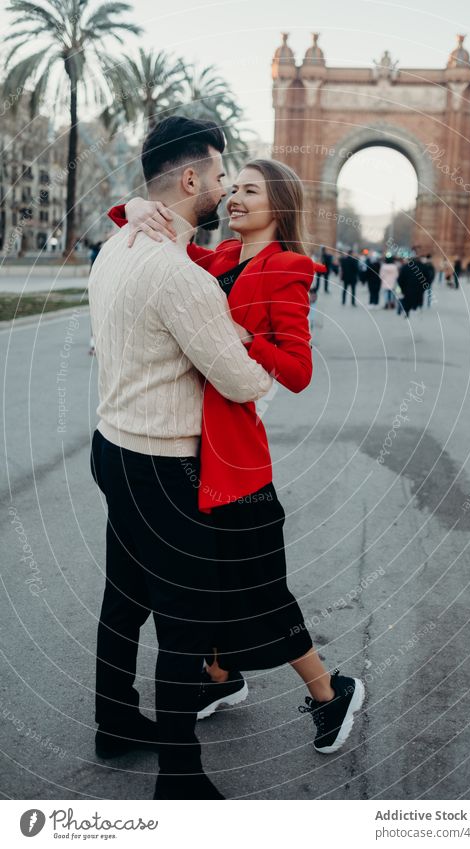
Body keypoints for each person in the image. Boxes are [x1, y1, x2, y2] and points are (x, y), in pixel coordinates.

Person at [109, 158, 365, 761]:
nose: (235, 199)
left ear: (280, 203)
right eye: (234, 189)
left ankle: (331, 693)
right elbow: (159, 239)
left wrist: (245, 341)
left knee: (260, 588)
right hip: (192, 446)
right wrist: (136, 208)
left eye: (251, 190)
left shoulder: (287, 269)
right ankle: (225, 678)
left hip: (238, 457)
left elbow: (298, 372)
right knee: (213, 574)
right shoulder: (219, 258)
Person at [89, 117, 275, 801]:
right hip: (165, 466)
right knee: (185, 618)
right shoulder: (178, 275)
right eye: (221, 175)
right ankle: (179, 772)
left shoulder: (118, 245)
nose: (226, 190)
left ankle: (113, 718)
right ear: (190, 178)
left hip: (111, 446)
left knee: (124, 597)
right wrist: (243, 331)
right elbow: (242, 380)